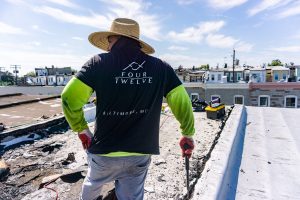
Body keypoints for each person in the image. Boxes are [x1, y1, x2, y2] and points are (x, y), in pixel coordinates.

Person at [61, 18, 195, 200]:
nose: (107, 46)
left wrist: (81, 129)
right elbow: (182, 101)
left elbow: (68, 97)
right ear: (136, 42)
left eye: (109, 41)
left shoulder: (97, 63)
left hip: (104, 151)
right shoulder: (161, 67)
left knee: (93, 184)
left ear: (113, 39)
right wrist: (187, 133)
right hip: (139, 152)